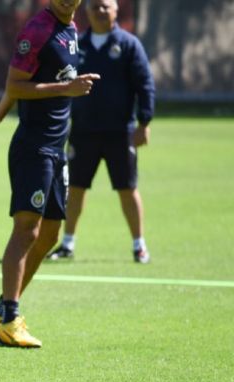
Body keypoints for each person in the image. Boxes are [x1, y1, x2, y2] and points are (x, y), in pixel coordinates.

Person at [0, 0, 100, 348]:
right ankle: (10, 317)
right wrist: (64, 90)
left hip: (56, 149)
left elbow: (26, 84)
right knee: (26, 230)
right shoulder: (37, 30)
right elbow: (17, 84)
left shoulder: (71, 29)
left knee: (50, 234)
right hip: (33, 148)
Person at [47, 0, 155, 264]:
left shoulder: (128, 45)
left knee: (128, 188)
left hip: (120, 132)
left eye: (106, 6)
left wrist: (144, 122)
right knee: (75, 188)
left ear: (116, 10)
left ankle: (139, 245)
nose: (100, 10)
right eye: (95, 6)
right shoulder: (76, 43)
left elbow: (145, 85)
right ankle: (67, 243)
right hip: (83, 131)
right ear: (87, 10)